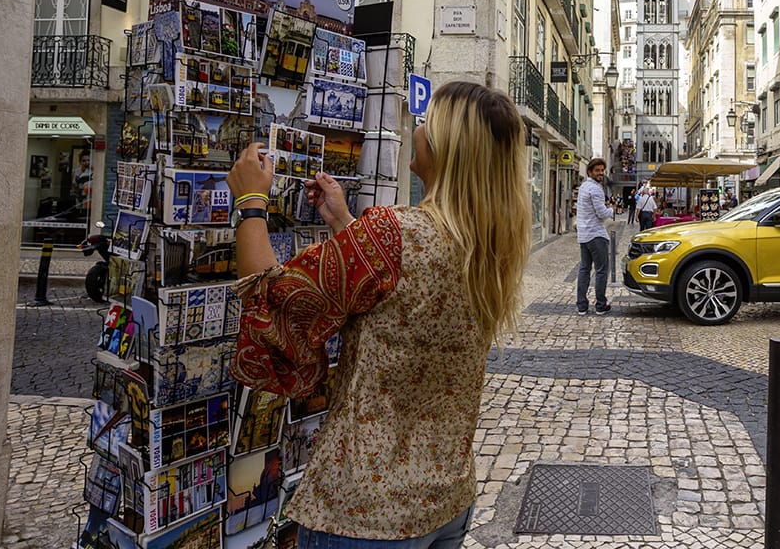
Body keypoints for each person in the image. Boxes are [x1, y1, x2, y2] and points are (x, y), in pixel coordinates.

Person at [226, 81, 531, 549]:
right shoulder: (490, 245)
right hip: (444, 500)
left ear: (450, 147)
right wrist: (344, 224)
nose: (419, 126)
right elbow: (405, 297)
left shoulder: (392, 233)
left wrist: (250, 202)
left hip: (362, 513)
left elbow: (272, 301)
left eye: (430, 120)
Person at [575, 158, 613, 316]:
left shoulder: (584, 186)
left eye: (602, 170)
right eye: (597, 170)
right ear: (590, 171)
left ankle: (582, 306)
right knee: (601, 270)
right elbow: (602, 214)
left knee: (584, 269)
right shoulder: (596, 189)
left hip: (583, 235)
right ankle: (600, 305)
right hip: (596, 234)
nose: (601, 173)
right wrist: (611, 210)